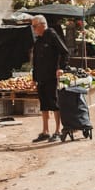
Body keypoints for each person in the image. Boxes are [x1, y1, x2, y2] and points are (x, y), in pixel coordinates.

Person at [29, 14, 69, 142]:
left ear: (42, 25)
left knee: (54, 103)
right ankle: (45, 131)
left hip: (52, 75)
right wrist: (34, 78)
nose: (33, 28)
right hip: (41, 76)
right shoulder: (38, 40)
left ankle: (58, 130)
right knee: (44, 104)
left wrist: (61, 67)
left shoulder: (51, 34)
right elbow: (35, 60)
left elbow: (64, 52)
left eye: (35, 26)